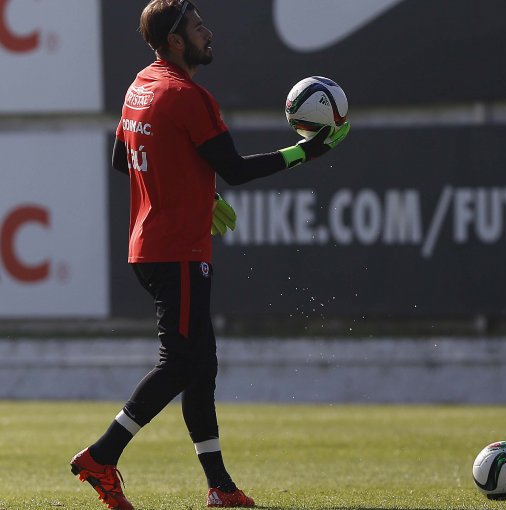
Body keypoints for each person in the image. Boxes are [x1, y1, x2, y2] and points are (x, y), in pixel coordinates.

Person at [69, 1, 350, 508]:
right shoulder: (188, 95)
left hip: (153, 246)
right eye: (198, 27)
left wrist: (197, 191)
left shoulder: (142, 84)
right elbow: (236, 169)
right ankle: (102, 456)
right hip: (176, 250)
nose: (207, 33)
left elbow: (122, 158)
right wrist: (310, 150)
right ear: (176, 41)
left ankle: (220, 487)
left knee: (202, 366)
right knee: (179, 364)